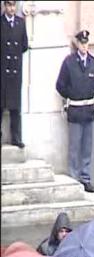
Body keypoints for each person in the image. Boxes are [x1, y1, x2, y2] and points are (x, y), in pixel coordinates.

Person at [55, 30, 94, 193]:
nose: (84, 46)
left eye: (86, 43)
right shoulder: (69, 62)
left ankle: (85, 178)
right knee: (74, 147)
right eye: (82, 43)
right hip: (75, 109)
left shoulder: (93, 62)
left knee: (87, 147)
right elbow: (60, 85)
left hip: (88, 110)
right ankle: (73, 179)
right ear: (77, 44)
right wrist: (71, 94)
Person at [1, 0, 28, 148]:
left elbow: (24, 45)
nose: (12, 8)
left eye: (13, 5)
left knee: (15, 107)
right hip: (2, 70)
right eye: (9, 5)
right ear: (5, 6)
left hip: (15, 71)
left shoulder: (20, 23)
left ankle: (16, 137)